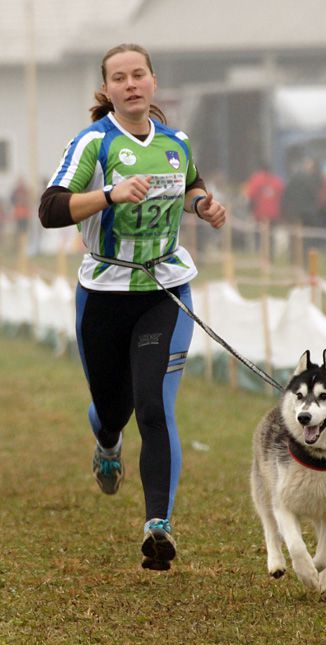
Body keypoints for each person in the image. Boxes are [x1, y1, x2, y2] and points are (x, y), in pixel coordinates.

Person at [39, 43, 226, 571]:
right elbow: (50, 209)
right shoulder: (94, 143)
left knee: (154, 407)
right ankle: (106, 443)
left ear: (153, 81)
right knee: (112, 408)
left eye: (138, 74)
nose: (131, 84)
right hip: (102, 294)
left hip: (164, 290)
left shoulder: (175, 142)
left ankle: (158, 527)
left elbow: (190, 183)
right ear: (108, 90)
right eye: (119, 78)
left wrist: (203, 205)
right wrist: (110, 196)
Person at [244, 162, 284, 257]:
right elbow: (282, 197)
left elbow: (251, 195)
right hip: (274, 214)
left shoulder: (256, 180)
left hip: (259, 214)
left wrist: (250, 210)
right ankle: (271, 256)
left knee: (259, 235)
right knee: (271, 236)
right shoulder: (277, 181)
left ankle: (260, 256)